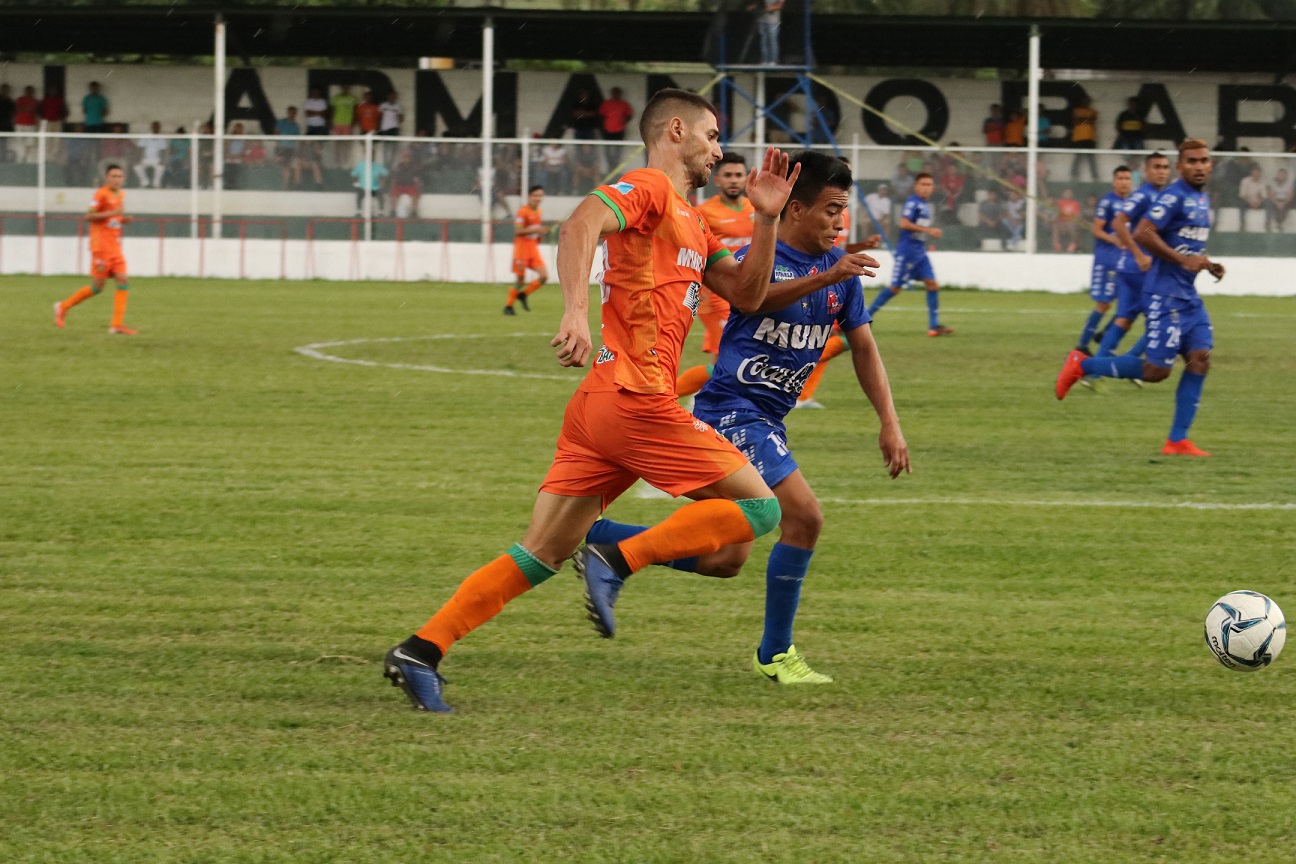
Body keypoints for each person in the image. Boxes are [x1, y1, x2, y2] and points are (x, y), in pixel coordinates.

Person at [381, 88, 809, 713]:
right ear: (676, 132)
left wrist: (767, 219)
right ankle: (617, 554)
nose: (719, 150)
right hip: (634, 398)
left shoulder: (693, 220)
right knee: (763, 511)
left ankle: (420, 650)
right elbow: (581, 223)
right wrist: (576, 313)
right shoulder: (648, 187)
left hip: (603, 406)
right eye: (712, 136)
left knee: (543, 552)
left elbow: (746, 296)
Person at [580, 150, 908, 684]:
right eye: (830, 209)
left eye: (843, 211)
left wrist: (889, 422)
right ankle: (775, 654)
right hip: (731, 411)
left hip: (770, 420)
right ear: (795, 210)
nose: (839, 222)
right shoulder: (758, 257)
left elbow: (865, 349)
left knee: (726, 560)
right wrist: (827, 277)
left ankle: (607, 537)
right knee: (804, 517)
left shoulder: (840, 272)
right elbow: (754, 301)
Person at [1057, 139, 1224, 457]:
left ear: (1211, 164)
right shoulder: (1174, 196)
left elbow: (1188, 243)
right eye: (1192, 161)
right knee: (1156, 372)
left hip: (1188, 296)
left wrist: (1205, 262)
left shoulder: (1201, 199)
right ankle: (1083, 364)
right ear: (1180, 167)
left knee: (1200, 360)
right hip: (1165, 295)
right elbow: (1142, 232)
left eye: (1204, 160)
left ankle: (1177, 441)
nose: (1199, 166)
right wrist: (1180, 259)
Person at [1094, 152, 1172, 362]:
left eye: (1165, 167)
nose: (1162, 171)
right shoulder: (1144, 195)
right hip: (1141, 268)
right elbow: (1118, 223)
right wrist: (1138, 254)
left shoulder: (1161, 195)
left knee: (1124, 320)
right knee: (1165, 317)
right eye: (1156, 167)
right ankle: (1135, 362)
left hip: (1130, 267)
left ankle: (1093, 370)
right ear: (1146, 171)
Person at [53, 164, 135, 335]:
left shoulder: (120, 194)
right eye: (113, 176)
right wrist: (112, 213)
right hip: (101, 247)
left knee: (123, 280)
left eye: (119, 176)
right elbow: (89, 216)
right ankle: (63, 306)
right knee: (98, 287)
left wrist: (122, 220)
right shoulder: (101, 194)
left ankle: (116, 324)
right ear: (107, 178)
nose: (116, 179)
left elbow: (113, 219)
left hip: (114, 246)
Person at [867, 172, 952, 337]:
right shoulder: (913, 202)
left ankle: (934, 326)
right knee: (895, 288)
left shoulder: (925, 205)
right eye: (923, 184)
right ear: (916, 186)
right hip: (907, 252)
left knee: (932, 284)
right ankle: (865, 318)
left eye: (929, 185)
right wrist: (929, 230)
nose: (926, 188)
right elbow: (903, 223)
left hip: (920, 252)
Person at [1069, 166, 1130, 364]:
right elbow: (1097, 230)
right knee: (1104, 304)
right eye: (1120, 178)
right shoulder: (1108, 202)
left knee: (1130, 305)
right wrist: (1116, 241)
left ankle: (1104, 335)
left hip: (1124, 261)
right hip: (1107, 259)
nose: (1124, 182)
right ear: (1114, 181)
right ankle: (1083, 344)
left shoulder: (1132, 203)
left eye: (1127, 178)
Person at [503, 185, 548, 315]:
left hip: (533, 249)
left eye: (540, 196)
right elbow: (518, 231)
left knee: (544, 276)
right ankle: (508, 306)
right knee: (520, 280)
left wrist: (539, 236)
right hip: (521, 249)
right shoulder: (523, 211)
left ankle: (523, 294)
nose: (538, 198)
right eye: (536, 195)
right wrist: (537, 230)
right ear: (529, 196)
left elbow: (534, 230)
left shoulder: (538, 211)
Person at [1069, 95, 1098, 181]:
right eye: (1084, 101)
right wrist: (1086, 119)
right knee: (1078, 157)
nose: (1086, 103)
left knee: (1091, 158)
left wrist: (1082, 119)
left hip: (1090, 137)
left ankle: (1095, 176)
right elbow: (1075, 120)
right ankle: (1074, 176)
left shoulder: (1093, 111)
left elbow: (1092, 120)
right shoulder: (1076, 111)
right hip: (1078, 137)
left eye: (1088, 101)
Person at [133, 121, 167, 188]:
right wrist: (138, 158)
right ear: (151, 127)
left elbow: (163, 151)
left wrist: (163, 160)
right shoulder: (146, 136)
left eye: (157, 127)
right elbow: (140, 148)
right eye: (154, 127)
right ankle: (145, 182)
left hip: (157, 159)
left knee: (161, 166)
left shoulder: (162, 138)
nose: (156, 128)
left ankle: (156, 184)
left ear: (160, 128)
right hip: (145, 159)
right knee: (136, 166)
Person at [275, 106, 301, 189]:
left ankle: (297, 186)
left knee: (296, 165)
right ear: (288, 113)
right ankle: (285, 187)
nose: (292, 114)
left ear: (296, 114)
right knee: (287, 167)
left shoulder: (296, 125)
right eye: (290, 112)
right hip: (282, 148)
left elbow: (297, 139)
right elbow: (276, 133)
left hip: (291, 149)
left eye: (294, 113)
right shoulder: (281, 122)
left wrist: (296, 151)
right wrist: (279, 145)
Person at [750, 0, 783, 65]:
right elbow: (758, 4)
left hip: (773, 21)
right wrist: (754, 7)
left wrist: (769, 8)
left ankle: (773, 61)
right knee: (763, 41)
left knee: (772, 40)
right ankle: (765, 60)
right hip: (762, 20)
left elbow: (780, 5)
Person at [1238, 164, 1266, 231]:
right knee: (1241, 203)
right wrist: (1251, 203)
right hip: (1247, 202)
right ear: (1251, 172)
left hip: (1258, 203)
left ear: (1260, 173)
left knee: (1268, 203)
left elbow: (1264, 196)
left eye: (1257, 172)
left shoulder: (1262, 183)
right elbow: (1242, 195)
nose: (1256, 174)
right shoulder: (1245, 181)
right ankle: (1242, 224)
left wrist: (1258, 203)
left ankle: (1267, 224)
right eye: (1254, 172)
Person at [1266, 167, 1293, 231]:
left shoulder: (1289, 183)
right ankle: (1268, 223)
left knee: (1286, 206)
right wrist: (1277, 203)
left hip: (1285, 200)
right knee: (1269, 203)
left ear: (1286, 176)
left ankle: (1280, 223)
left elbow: (1289, 195)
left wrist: (1283, 203)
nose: (1281, 176)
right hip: (1275, 199)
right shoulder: (1272, 182)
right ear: (1277, 175)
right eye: (1280, 174)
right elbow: (1271, 195)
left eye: (1283, 175)